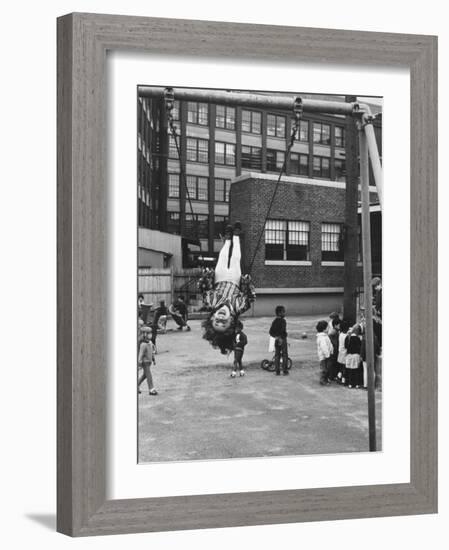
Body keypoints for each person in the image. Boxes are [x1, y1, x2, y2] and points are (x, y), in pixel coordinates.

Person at [199, 222, 255, 354]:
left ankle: (228, 239)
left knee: (223, 257)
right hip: (235, 279)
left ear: (211, 318)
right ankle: (236, 236)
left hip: (220, 277)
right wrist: (247, 283)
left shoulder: (210, 302)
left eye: (216, 323)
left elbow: (204, 288)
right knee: (236, 258)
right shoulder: (239, 307)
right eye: (223, 324)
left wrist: (206, 276)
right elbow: (250, 296)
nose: (220, 321)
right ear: (231, 322)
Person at [138, 326, 158, 395]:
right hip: (145, 362)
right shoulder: (143, 344)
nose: (150, 334)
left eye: (150, 333)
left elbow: (151, 352)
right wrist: (139, 363)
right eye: (148, 333)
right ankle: (151, 389)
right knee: (149, 375)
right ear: (144, 334)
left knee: (145, 375)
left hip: (149, 361)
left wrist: (153, 359)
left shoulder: (149, 343)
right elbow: (140, 355)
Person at [269, 305, 289, 375]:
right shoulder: (283, 321)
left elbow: (270, 331)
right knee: (284, 355)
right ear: (280, 313)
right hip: (282, 339)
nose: (284, 313)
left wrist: (276, 337)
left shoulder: (274, 321)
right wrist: (281, 338)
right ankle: (285, 370)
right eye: (283, 312)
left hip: (276, 340)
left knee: (277, 355)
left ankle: (277, 371)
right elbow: (282, 330)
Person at [344, 324, 363, 389]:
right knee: (356, 370)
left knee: (350, 370)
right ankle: (357, 384)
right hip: (356, 355)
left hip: (349, 355)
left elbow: (345, 346)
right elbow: (360, 347)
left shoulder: (348, 337)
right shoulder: (358, 339)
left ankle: (350, 383)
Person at [316, 320, 334, 385]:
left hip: (326, 355)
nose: (328, 328)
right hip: (325, 356)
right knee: (324, 369)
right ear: (324, 329)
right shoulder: (322, 338)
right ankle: (323, 380)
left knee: (327, 368)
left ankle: (325, 379)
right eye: (327, 327)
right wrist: (327, 355)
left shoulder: (324, 336)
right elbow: (324, 347)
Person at [336, 319, 350, 384]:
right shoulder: (346, 336)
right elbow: (347, 346)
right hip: (344, 353)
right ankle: (343, 380)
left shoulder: (340, 334)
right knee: (344, 368)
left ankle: (338, 377)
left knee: (340, 367)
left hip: (340, 352)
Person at [327, 315, 341, 381]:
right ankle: (330, 376)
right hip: (333, 351)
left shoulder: (335, 332)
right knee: (332, 363)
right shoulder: (333, 333)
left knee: (333, 363)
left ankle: (332, 376)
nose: (340, 326)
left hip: (334, 350)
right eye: (339, 325)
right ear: (335, 325)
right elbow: (334, 342)